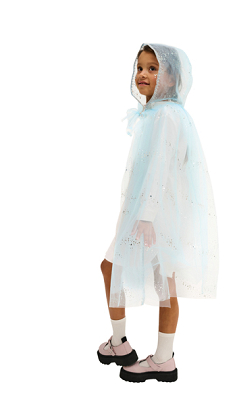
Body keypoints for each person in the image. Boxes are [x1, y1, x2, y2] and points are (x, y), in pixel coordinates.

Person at [97, 43, 219, 383]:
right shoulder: (157, 114)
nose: (143, 74)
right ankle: (120, 344)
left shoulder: (167, 116)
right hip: (144, 213)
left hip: (155, 217)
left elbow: (161, 166)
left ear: (173, 78)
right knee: (117, 269)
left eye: (153, 68)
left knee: (161, 281)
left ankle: (161, 359)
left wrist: (147, 215)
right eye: (140, 67)